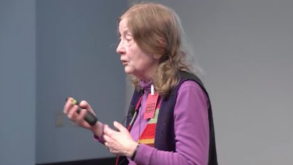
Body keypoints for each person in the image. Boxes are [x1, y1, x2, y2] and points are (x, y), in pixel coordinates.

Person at [63, 2, 218, 165]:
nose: (119, 48)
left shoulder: (187, 90)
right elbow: (132, 149)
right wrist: (96, 128)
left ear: (158, 46)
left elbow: (191, 163)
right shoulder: (144, 90)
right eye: (120, 39)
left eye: (128, 39)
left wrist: (132, 149)